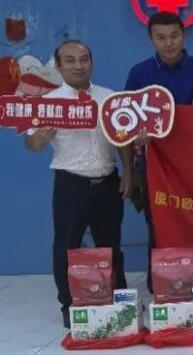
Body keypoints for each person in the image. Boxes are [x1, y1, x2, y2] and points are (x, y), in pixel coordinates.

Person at [26, 40, 132, 328]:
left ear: (91, 63)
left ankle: (120, 301)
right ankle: (70, 305)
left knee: (111, 246)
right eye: (70, 61)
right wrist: (40, 138)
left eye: (84, 59)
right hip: (71, 185)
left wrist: (128, 172)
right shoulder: (49, 103)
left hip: (107, 182)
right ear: (59, 67)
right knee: (67, 246)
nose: (78, 66)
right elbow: (31, 143)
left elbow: (122, 137)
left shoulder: (109, 98)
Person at [123, 12, 193, 293]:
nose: (168, 43)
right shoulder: (139, 73)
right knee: (159, 223)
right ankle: (162, 281)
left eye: (174, 36)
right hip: (153, 166)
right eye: (161, 38)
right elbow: (128, 121)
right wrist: (137, 137)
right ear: (151, 39)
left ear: (183, 36)